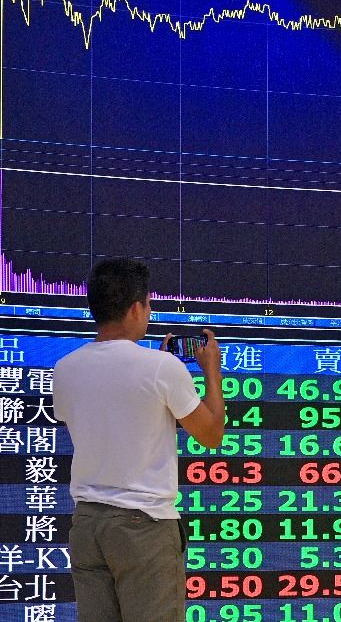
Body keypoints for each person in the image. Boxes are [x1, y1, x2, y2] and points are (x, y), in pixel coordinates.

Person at [52, 257, 225, 622]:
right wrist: (212, 371)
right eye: (147, 304)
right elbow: (211, 434)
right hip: (142, 527)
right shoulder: (162, 368)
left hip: (88, 525)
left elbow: (108, 419)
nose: (148, 312)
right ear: (134, 308)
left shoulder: (64, 369)